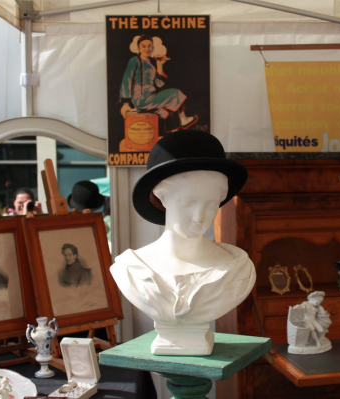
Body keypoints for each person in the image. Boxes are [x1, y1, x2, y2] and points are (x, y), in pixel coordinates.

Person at [109, 131, 255, 355]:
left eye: (211, 203)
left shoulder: (237, 269)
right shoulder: (130, 269)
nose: (200, 217)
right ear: (161, 195)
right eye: (189, 202)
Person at [119, 34, 198, 133]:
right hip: (142, 99)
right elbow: (127, 79)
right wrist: (125, 102)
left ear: (153, 48)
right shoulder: (134, 61)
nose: (147, 49)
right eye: (143, 46)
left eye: (149, 46)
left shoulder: (151, 65)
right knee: (175, 93)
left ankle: (173, 135)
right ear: (138, 48)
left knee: (169, 111)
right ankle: (183, 119)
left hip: (152, 97)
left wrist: (159, 65)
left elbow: (159, 84)